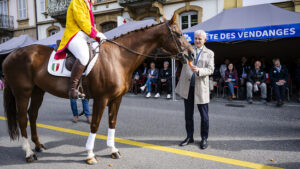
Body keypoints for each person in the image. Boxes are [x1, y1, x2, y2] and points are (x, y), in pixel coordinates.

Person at [54, 0, 107, 99]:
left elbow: (89, 25)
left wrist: (97, 35)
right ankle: (72, 89)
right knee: (84, 56)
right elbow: (82, 22)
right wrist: (96, 35)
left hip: (84, 38)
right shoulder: (77, 1)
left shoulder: (87, 5)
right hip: (74, 36)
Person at [176, 30, 214, 149]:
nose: (197, 41)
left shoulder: (210, 53)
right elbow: (180, 59)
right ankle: (189, 137)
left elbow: (211, 69)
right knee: (188, 114)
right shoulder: (188, 49)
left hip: (201, 88)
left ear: (204, 40)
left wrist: (200, 71)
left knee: (204, 116)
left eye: (199, 39)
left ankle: (204, 138)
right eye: (196, 38)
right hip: (188, 87)